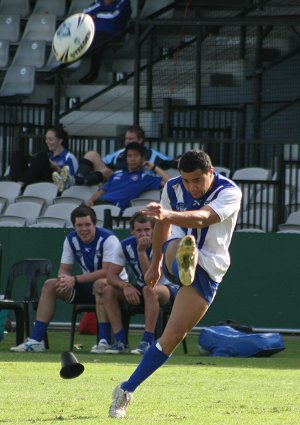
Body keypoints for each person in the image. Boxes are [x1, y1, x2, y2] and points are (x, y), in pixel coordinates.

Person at [108, 149, 242, 418]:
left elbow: (203, 218)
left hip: (210, 269)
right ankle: (183, 263)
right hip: (176, 248)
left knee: (170, 339)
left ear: (210, 173)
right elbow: (162, 227)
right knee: (181, 243)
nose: (191, 187)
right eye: (187, 181)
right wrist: (156, 263)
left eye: (197, 181)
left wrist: (166, 215)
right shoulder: (172, 187)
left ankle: (124, 389)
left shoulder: (229, 192)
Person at [10, 205, 127, 353]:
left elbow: (106, 272)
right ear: (73, 226)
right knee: (50, 284)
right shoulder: (71, 239)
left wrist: (75, 279)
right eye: (79, 225)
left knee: (99, 284)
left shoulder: (108, 238)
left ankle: (104, 341)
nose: (84, 229)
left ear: (95, 224)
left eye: (87, 225)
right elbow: (64, 269)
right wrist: (64, 279)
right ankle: (36, 340)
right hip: (86, 287)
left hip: (113, 288)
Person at [96, 211, 179, 355]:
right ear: (132, 231)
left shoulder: (163, 244)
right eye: (139, 230)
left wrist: (141, 252)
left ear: (153, 230)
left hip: (167, 289)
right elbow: (111, 275)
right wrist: (125, 285)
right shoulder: (126, 245)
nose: (143, 234)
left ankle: (147, 341)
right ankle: (120, 341)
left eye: (147, 229)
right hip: (144, 288)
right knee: (108, 290)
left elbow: (152, 279)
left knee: (149, 290)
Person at [75, 125, 178, 186]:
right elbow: (100, 163)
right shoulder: (120, 153)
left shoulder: (153, 155)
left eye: (131, 139)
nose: (127, 141)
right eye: (126, 139)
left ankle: (80, 181)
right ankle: (78, 179)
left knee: (106, 172)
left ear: (140, 140)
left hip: (135, 181)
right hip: (115, 180)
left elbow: (172, 162)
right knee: (92, 154)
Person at [85, 142, 170, 210]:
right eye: (129, 156)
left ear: (143, 158)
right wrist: (91, 200)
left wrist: (154, 167)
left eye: (136, 155)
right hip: (98, 204)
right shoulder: (116, 174)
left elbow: (170, 182)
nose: (133, 159)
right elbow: (101, 192)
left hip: (113, 208)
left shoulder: (145, 178)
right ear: (126, 158)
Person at [8, 125, 78, 192]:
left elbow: (73, 180)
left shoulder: (69, 157)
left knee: (42, 155)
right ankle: (18, 183)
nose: (47, 142)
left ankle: (21, 183)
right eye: (46, 139)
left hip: (54, 185)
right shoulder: (48, 155)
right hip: (36, 181)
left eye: (50, 139)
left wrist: (57, 168)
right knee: (17, 154)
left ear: (59, 141)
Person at [80, 0, 132, 84]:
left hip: (114, 32)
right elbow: (86, 12)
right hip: (94, 30)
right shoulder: (99, 1)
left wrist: (96, 15)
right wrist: (97, 14)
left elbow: (114, 16)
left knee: (96, 44)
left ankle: (93, 73)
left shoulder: (124, 2)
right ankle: (60, 69)